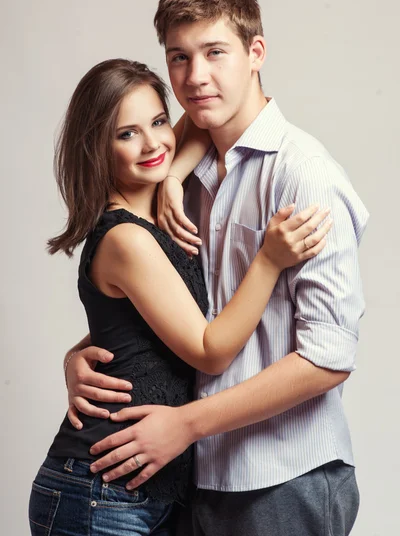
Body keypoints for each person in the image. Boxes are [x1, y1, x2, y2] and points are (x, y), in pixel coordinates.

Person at [66, 0, 369, 536]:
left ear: (256, 51)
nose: (196, 76)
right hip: (194, 479)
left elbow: (329, 356)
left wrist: (187, 424)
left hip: (283, 477)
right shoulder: (181, 179)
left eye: (215, 52)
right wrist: (86, 351)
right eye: (178, 57)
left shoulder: (304, 176)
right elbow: (185, 306)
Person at [28, 58, 329, 536]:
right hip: (101, 492)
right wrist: (269, 260)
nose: (152, 144)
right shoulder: (126, 239)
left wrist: (172, 177)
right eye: (126, 134)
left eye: (158, 121)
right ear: (96, 149)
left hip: (149, 491)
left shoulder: (161, 211)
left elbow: (202, 119)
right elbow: (210, 352)